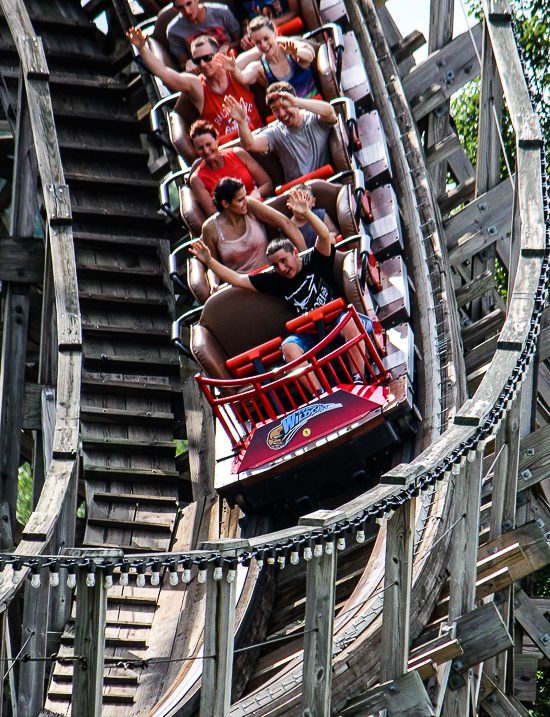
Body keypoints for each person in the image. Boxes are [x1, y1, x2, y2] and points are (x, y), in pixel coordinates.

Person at [190, 188, 371, 387]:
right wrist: (209, 261)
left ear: (295, 253)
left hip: (336, 321)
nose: (282, 268)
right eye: (275, 265)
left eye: (284, 261)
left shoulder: (315, 260)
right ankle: (320, 395)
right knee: (289, 347)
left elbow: (324, 236)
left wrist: (306, 213)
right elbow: (238, 279)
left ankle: (359, 380)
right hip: (311, 334)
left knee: (351, 321)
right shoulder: (276, 280)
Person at [126, 29, 263, 138]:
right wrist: (142, 48)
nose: (203, 64)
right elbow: (163, 72)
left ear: (219, 54)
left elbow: (267, 46)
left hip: (258, 137)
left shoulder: (236, 69)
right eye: (198, 61)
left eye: (207, 58)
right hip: (230, 149)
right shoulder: (197, 86)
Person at [200, 178, 307, 292]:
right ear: (225, 203)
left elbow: (286, 224)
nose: (246, 201)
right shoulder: (210, 229)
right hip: (242, 287)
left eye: (245, 196)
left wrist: (306, 257)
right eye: (240, 200)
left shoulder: (250, 205)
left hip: (271, 278)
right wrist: (213, 285)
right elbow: (212, 264)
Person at [224, 81, 337, 184]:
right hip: (300, 190)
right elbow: (250, 144)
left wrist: (296, 101)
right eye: (275, 110)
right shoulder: (276, 132)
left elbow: (330, 112)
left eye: (285, 106)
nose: (282, 114)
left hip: (328, 181)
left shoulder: (313, 118)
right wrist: (242, 121)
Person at [189, 120, 273, 217]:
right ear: (195, 150)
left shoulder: (238, 154)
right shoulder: (197, 179)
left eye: (208, 144)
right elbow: (213, 214)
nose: (206, 151)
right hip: (235, 220)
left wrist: (256, 194)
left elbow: (268, 185)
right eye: (200, 148)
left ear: (216, 140)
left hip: (261, 206)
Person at [235, 17, 317, 99]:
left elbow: (310, 56)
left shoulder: (290, 49)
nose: (263, 44)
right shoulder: (260, 67)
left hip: (314, 104)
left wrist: (295, 52)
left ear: (275, 33)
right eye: (258, 42)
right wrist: (264, 48)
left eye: (266, 38)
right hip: (289, 110)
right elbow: (240, 73)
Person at [165, 0, 242, 69]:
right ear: (175, 8)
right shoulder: (174, 31)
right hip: (205, 70)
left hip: (232, 62)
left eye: (189, 3)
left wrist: (228, 47)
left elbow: (240, 41)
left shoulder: (221, 12)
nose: (187, 11)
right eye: (181, 7)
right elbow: (182, 64)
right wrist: (188, 64)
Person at [287, 183, 338, 248]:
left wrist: (330, 235)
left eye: (306, 199)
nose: (301, 204)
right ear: (288, 203)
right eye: (296, 200)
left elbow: (335, 232)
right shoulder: (287, 225)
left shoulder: (320, 214)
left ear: (313, 202)